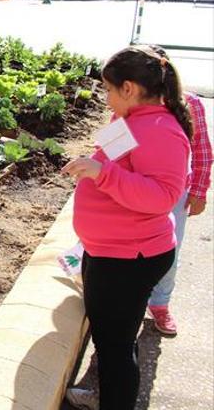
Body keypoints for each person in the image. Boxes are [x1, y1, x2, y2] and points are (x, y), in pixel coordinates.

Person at [62, 45, 192, 410]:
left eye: (108, 90)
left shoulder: (160, 129)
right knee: (115, 341)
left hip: (129, 258)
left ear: (130, 88)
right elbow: (112, 161)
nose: (105, 99)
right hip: (112, 252)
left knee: (116, 351)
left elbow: (163, 196)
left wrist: (102, 174)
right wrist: (92, 166)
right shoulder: (132, 121)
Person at [145, 46, 212, 335]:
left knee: (169, 249)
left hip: (174, 197)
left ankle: (160, 304)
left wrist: (198, 190)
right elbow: (108, 148)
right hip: (134, 192)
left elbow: (202, 151)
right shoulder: (132, 107)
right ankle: (132, 303)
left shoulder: (190, 104)